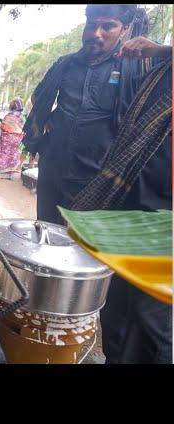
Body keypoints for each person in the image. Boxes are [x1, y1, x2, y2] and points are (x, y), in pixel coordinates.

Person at [22, 4, 172, 225]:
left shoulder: (140, 66)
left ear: (125, 29)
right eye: (91, 25)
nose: (96, 33)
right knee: (45, 232)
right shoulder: (65, 64)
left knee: (81, 246)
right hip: (53, 169)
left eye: (108, 26)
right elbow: (39, 100)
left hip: (98, 179)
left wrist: (163, 50)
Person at [71, 58, 172, 364]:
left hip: (164, 217)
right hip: (131, 199)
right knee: (116, 305)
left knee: (150, 318)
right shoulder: (161, 70)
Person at [0, 98, 25, 179]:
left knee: (0, 154)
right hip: (17, 139)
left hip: (6, 139)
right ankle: (9, 174)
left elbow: (4, 127)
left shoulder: (9, 116)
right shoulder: (22, 117)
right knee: (12, 155)